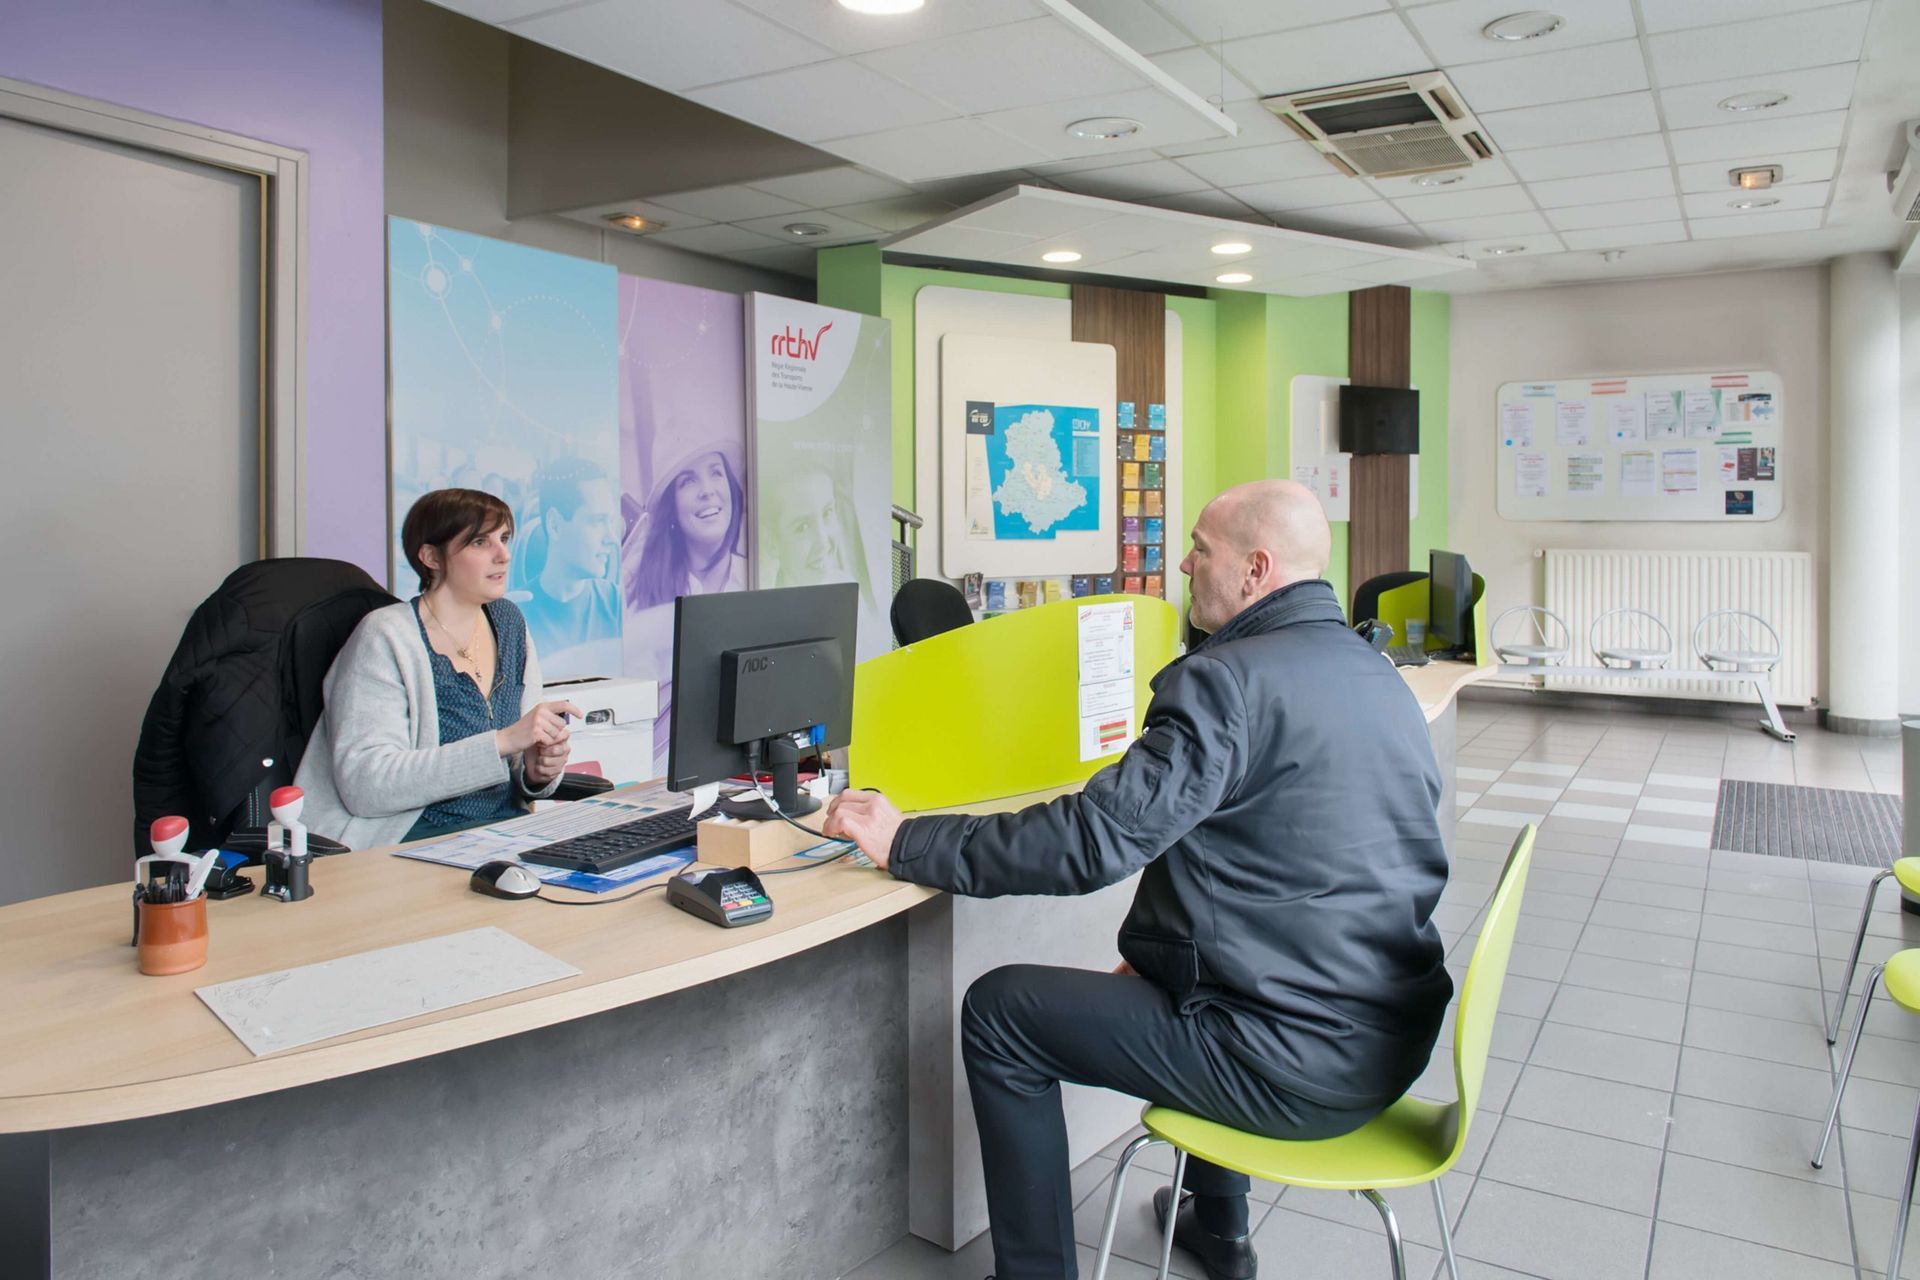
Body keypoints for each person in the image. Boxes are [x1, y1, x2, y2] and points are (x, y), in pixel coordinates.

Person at [823, 479, 1452, 1280]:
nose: (1185, 565)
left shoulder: (1225, 684)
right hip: (1390, 1043)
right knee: (1194, 990)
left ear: (1256, 569)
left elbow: (1092, 842)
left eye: (1201, 549)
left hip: (1292, 1063)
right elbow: (1299, 863)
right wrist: (1164, 954)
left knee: (1001, 1011)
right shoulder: (1374, 672)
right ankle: (1220, 1230)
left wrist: (908, 839)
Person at [297, 488, 581, 849]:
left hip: (502, 831)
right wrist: (503, 742)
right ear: (431, 556)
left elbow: (520, 765)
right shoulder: (386, 635)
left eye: (504, 538)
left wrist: (537, 771)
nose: (503, 555)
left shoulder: (509, 622)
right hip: (411, 839)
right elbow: (365, 786)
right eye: (480, 542)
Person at [625, 441, 748, 612]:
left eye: (716, 473)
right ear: (671, 509)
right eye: (689, 481)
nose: (707, 491)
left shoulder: (764, 576)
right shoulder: (644, 598)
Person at [519, 457, 621, 658]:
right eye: (597, 521)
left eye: (610, 521)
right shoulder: (515, 615)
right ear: (555, 525)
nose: (612, 538)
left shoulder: (618, 605)